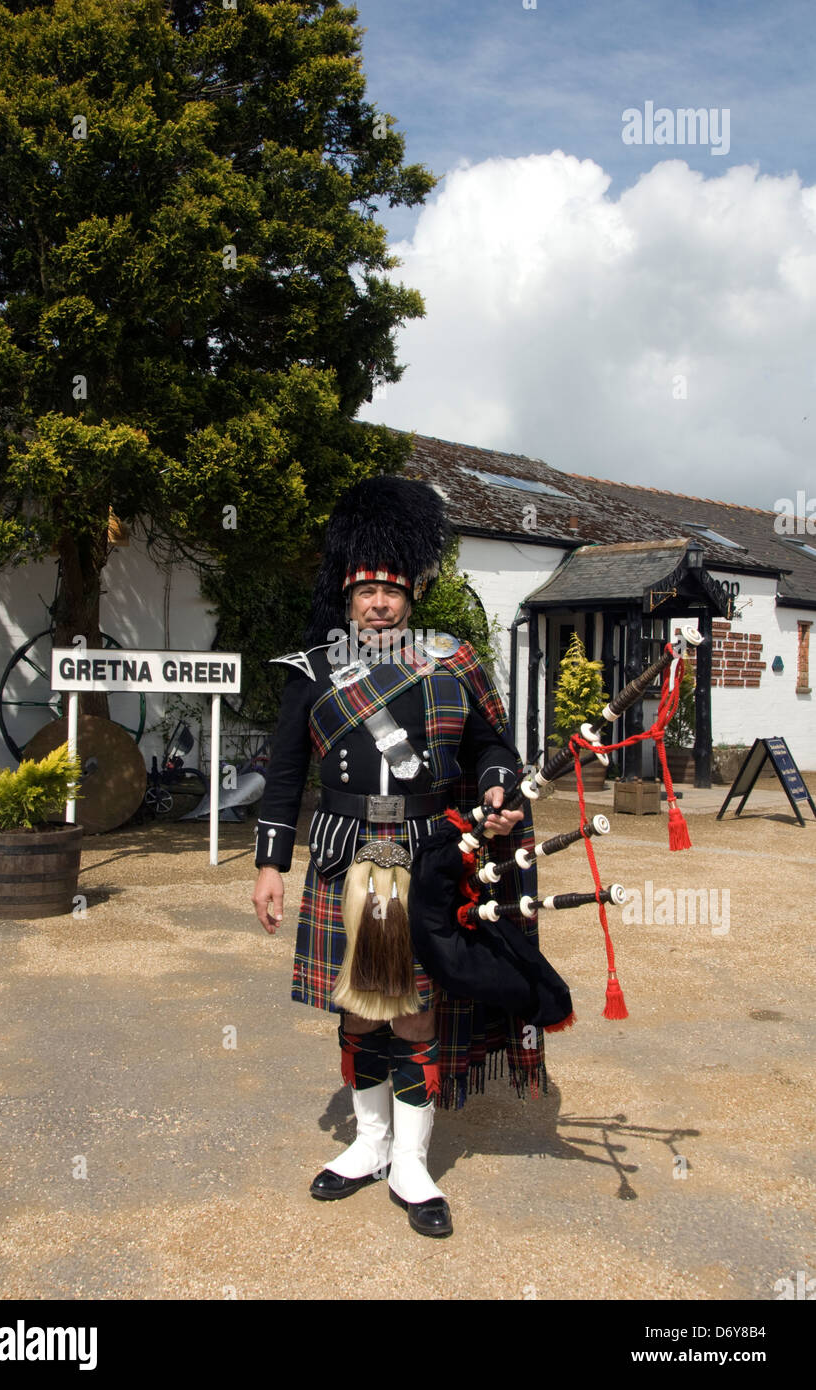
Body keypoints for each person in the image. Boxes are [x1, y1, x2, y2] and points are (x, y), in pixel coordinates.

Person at [251, 476, 542, 1238]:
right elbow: (284, 775)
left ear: (412, 592)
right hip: (345, 854)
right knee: (357, 1006)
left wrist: (497, 787)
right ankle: (368, 1142)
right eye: (364, 591)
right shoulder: (312, 672)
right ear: (346, 597)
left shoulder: (451, 662)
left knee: (414, 1012)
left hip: (426, 852)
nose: (377, 603)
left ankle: (412, 1158)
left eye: (390, 590)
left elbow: (491, 748)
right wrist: (269, 863)